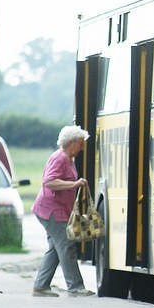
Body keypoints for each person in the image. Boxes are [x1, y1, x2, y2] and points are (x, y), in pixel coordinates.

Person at [31, 125, 94, 297]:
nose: (81, 148)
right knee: (67, 246)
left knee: (55, 248)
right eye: (80, 144)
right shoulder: (60, 158)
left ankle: (41, 286)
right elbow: (49, 181)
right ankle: (75, 287)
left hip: (56, 211)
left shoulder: (68, 159)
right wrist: (73, 184)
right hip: (51, 210)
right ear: (71, 142)